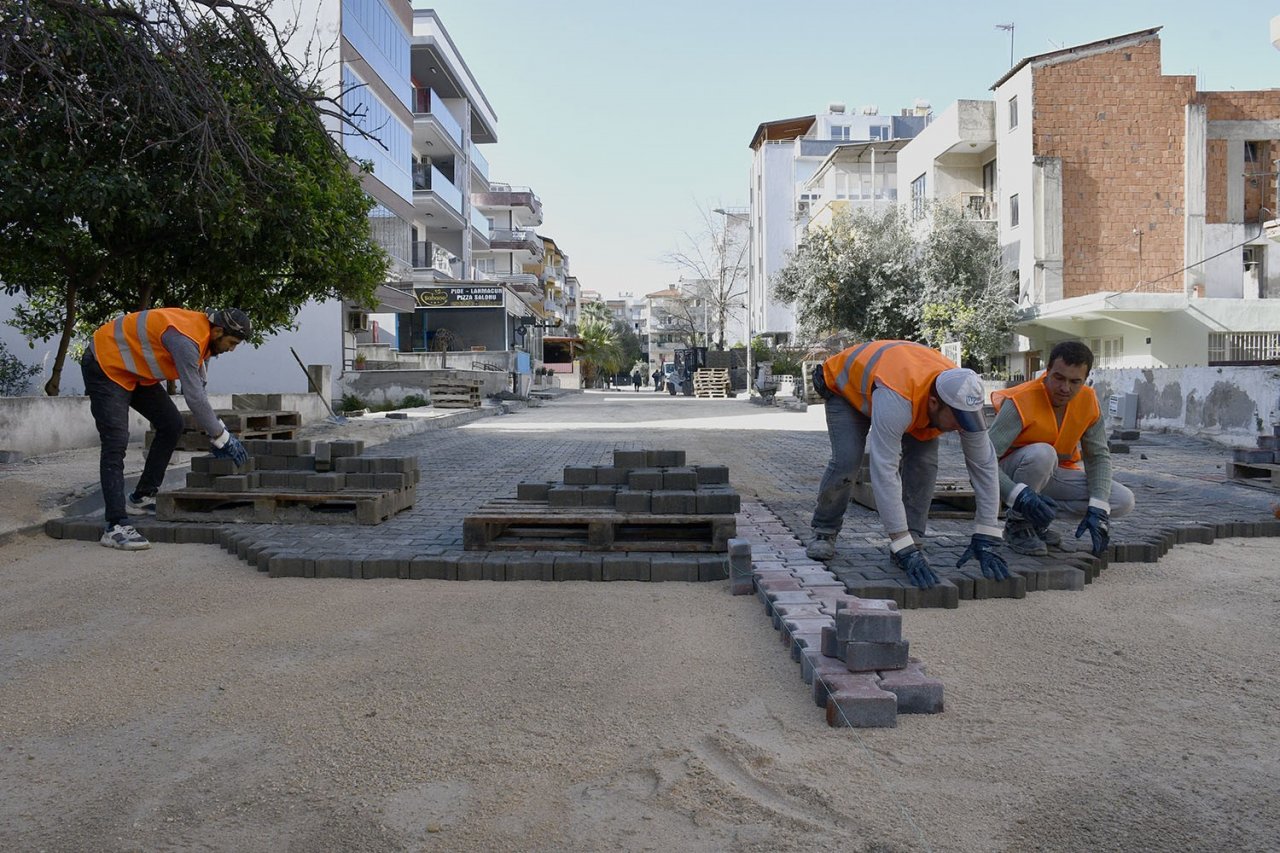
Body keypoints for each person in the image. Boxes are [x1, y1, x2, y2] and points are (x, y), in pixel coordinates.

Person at [806, 340, 1010, 590]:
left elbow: (984, 466)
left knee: (924, 463)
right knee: (848, 461)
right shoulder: (898, 399)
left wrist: (987, 532)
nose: (961, 426)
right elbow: (885, 470)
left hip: (902, 394)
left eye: (966, 420)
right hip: (847, 391)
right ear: (934, 403)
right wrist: (899, 543)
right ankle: (825, 531)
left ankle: (915, 538)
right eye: (957, 419)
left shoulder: (961, 398)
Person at [81, 307, 253, 551]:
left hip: (136, 372)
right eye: (232, 342)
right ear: (217, 331)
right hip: (106, 365)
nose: (232, 349)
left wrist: (217, 432)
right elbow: (193, 396)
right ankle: (115, 525)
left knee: (172, 425)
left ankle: (141, 497)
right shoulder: (186, 340)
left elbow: (199, 388)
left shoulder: (204, 342)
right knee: (115, 441)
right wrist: (223, 438)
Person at [989, 340, 1135, 557]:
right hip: (1009, 476)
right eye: (1059, 378)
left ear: (1086, 380)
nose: (1065, 388)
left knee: (1121, 501)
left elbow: (1098, 458)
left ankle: (1038, 519)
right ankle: (1018, 524)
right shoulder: (1020, 400)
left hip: (1051, 475)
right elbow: (982, 460)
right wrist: (1016, 496)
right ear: (1047, 372)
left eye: (1075, 381)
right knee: (1043, 453)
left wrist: (1097, 508)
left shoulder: (1088, 400)